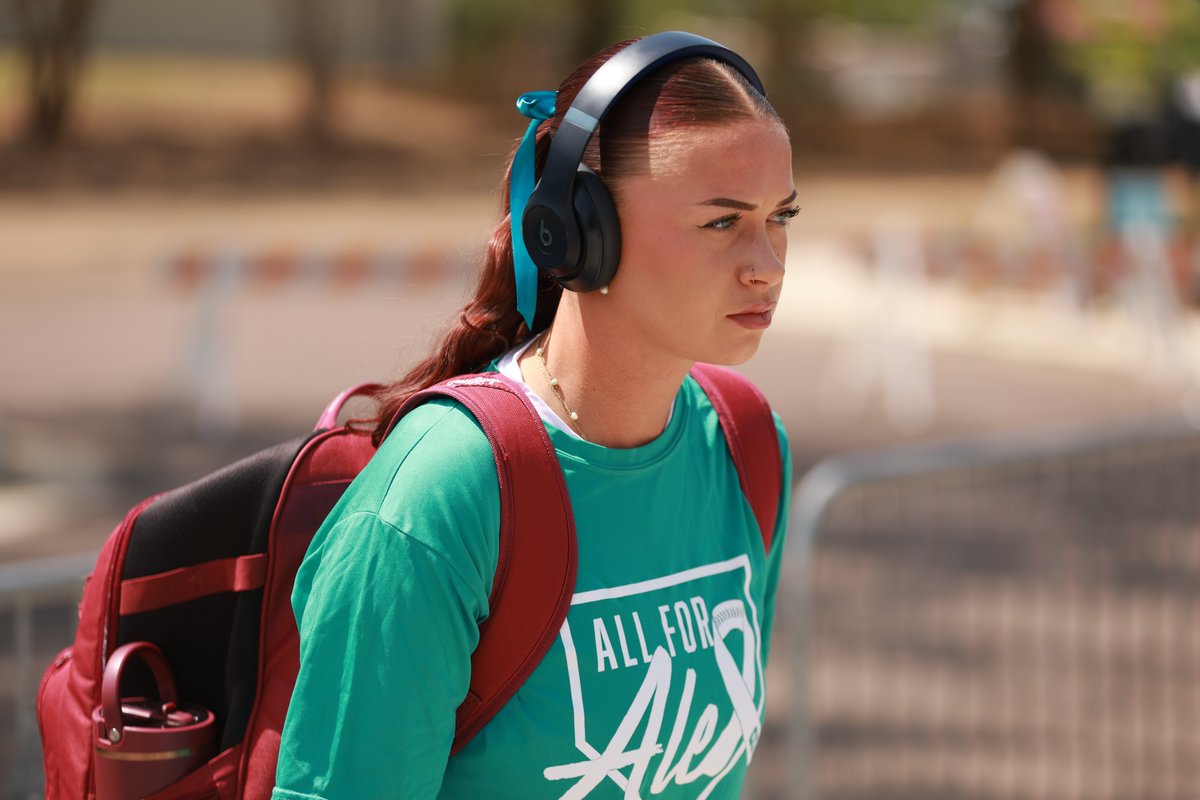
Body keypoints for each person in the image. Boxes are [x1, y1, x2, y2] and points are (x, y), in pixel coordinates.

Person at [271, 31, 795, 799]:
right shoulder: (442, 496)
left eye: (782, 215)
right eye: (722, 222)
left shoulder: (746, 446)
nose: (769, 264)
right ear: (581, 232)